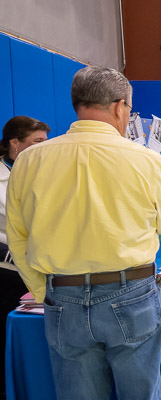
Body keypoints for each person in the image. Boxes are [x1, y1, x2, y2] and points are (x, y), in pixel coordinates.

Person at [6, 66, 161, 399]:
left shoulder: (29, 161)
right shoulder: (144, 160)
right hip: (131, 291)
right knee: (143, 393)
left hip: (63, 294)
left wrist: (41, 287)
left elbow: (17, 235)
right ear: (120, 107)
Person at [0, 116, 49, 398]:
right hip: (8, 271)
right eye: (37, 143)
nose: (44, 148)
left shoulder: (43, 172)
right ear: (15, 144)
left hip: (39, 265)